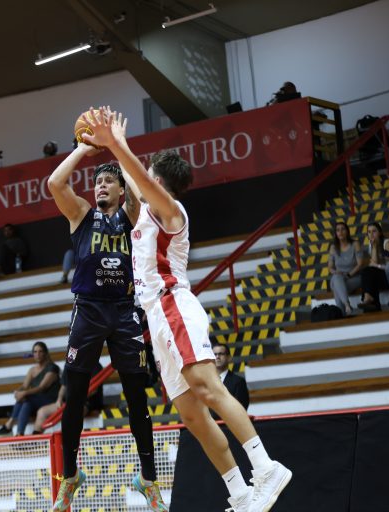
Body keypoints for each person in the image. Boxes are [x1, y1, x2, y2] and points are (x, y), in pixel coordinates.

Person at [83, 107, 291, 512]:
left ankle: (267, 468)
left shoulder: (172, 212)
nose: (142, 175)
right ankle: (241, 494)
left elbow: (140, 180)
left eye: (149, 173)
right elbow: (132, 179)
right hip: (156, 317)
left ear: (159, 180)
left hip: (174, 304)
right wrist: (105, 144)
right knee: (191, 415)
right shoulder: (146, 208)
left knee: (209, 389)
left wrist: (118, 144)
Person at [46, 118, 167, 512]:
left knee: (137, 398)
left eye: (108, 181)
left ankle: (148, 479)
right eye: (97, 181)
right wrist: (85, 148)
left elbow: (141, 192)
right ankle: (70, 476)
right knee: (74, 396)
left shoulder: (132, 215)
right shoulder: (81, 214)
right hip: (88, 310)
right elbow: (55, 183)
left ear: (119, 189)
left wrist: (116, 147)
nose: (100, 185)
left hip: (124, 310)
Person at [0, 342, 60, 436]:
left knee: (27, 397)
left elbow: (42, 387)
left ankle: (10, 424)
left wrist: (24, 393)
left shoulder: (53, 368)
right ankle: (19, 433)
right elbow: (24, 386)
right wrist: (18, 392)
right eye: (35, 352)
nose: (37, 354)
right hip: (35, 400)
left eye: (40, 351)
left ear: (45, 353)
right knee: (27, 401)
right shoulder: (32, 370)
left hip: (50, 400)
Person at [32, 363, 104, 434]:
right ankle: (36, 439)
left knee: (73, 412)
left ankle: (67, 439)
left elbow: (94, 390)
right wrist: (59, 400)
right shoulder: (69, 364)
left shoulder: (94, 365)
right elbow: (63, 386)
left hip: (87, 402)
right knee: (42, 412)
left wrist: (75, 400)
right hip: (69, 402)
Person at [359, 222, 389, 312]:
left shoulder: (387, 243)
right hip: (382, 275)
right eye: (369, 232)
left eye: (374, 231)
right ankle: (371, 304)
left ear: (380, 232)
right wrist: (374, 247)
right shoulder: (371, 245)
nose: (371, 234)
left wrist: (376, 264)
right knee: (369, 273)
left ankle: (368, 300)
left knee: (369, 272)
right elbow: (374, 264)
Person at [327, 222, 365, 316]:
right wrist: (335, 272)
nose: (340, 232)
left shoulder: (355, 244)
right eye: (338, 230)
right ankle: (347, 304)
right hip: (339, 277)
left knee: (337, 287)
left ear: (347, 231)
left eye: (343, 229)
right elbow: (330, 267)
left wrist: (348, 275)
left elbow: (360, 264)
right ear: (335, 233)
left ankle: (342, 314)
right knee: (337, 278)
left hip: (354, 277)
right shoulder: (333, 247)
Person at [212, 341, 249, 411]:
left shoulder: (238, 382)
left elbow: (241, 408)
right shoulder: (206, 382)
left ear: (229, 358)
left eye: (221, 354)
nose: (217, 357)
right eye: (214, 354)